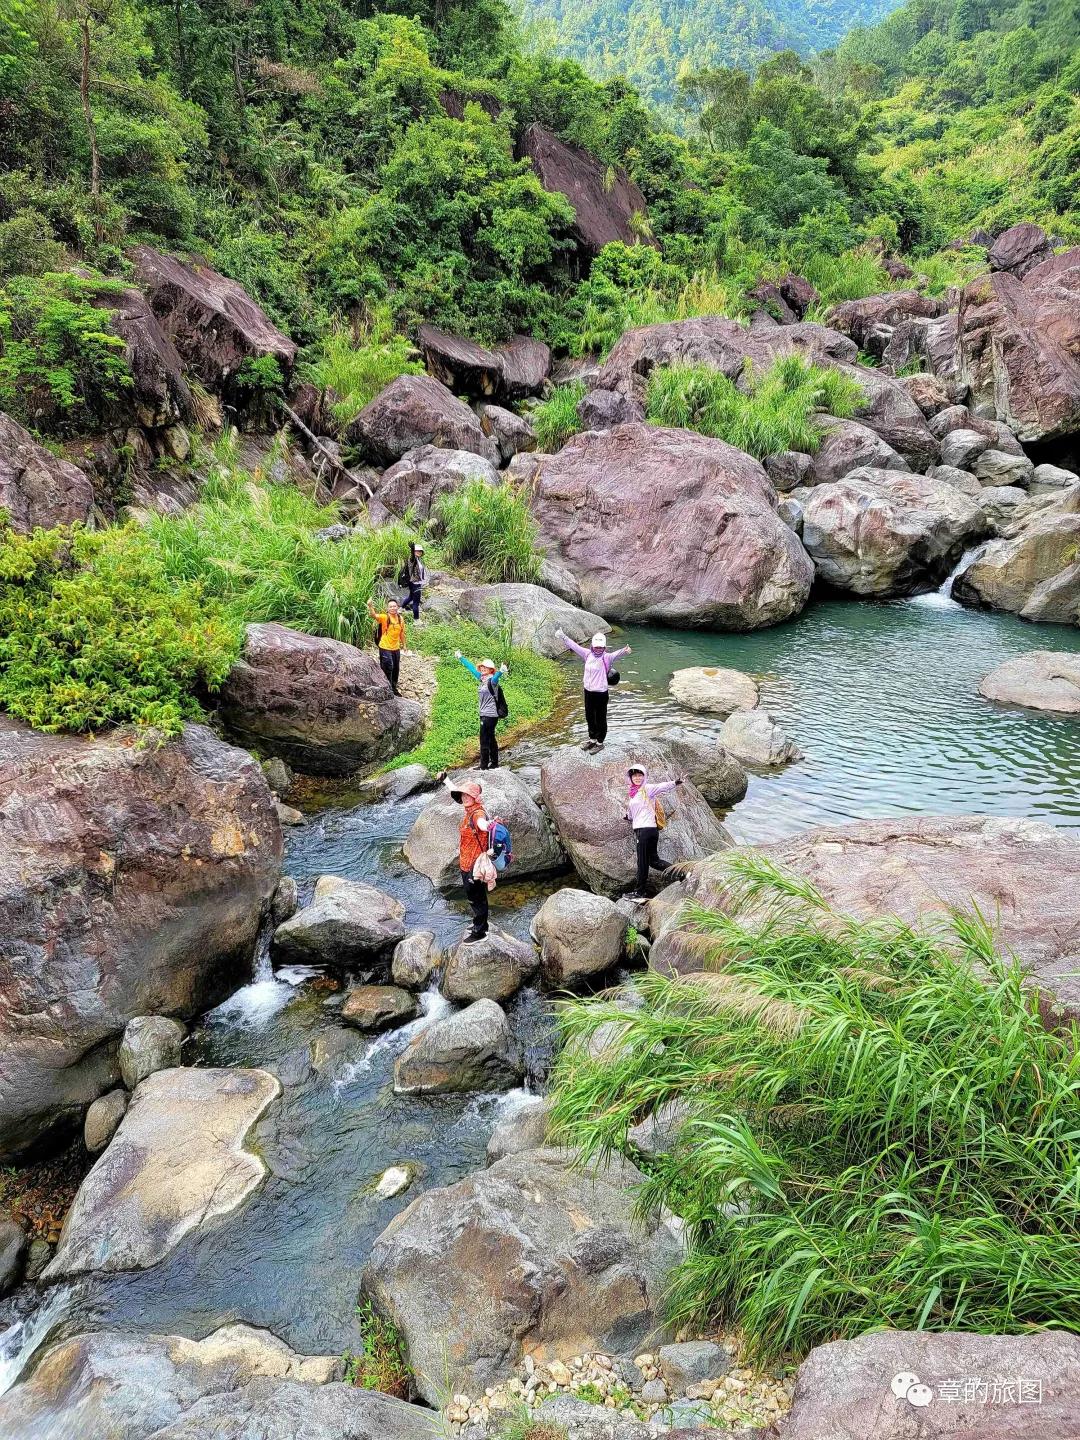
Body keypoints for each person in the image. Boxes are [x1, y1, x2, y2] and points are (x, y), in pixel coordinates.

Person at [555, 629, 631, 751]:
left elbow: (617, 654)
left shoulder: (606, 657)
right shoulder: (587, 654)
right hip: (588, 691)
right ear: (592, 646)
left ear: (604, 647)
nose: (598, 649)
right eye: (596, 647)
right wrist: (563, 636)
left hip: (601, 693)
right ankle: (592, 739)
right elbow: (574, 646)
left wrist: (625, 651)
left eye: (601, 647)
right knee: (589, 716)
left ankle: (600, 743)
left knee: (600, 717)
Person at [625, 764, 683, 899]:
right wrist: (628, 817)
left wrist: (675, 782)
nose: (637, 778)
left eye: (640, 775)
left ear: (644, 776)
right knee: (654, 861)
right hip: (650, 831)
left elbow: (661, 787)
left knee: (642, 862)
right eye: (635, 775)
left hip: (644, 831)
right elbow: (632, 813)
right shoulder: (633, 793)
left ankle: (640, 892)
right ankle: (682, 873)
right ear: (631, 777)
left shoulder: (647, 788)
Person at [450, 777, 490, 942]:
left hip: (475, 865)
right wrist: (445, 780)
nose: (465, 797)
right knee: (473, 895)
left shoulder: (477, 813)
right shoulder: (468, 812)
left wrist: (487, 825)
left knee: (476, 898)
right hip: (465, 863)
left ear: (475, 797)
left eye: (468, 795)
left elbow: (482, 824)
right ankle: (482, 925)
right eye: (463, 795)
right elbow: (453, 790)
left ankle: (479, 932)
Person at [454, 651, 507, 770]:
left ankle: (483, 766)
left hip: (489, 715)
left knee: (484, 740)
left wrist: (501, 672)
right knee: (491, 738)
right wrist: (461, 658)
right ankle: (494, 763)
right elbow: (471, 668)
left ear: (491, 670)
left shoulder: (492, 681)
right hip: (487, 715)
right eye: (482, 666)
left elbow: (496, 678)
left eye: (486, 667)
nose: (483, 668)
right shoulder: (482, 679)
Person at [366, 597, 406, 694]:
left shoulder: (400, 619)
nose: (393, 608)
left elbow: (402, 633)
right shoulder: (385, 617)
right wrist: (370, 606)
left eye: (394, 606)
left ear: (397, 607)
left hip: (396, 648)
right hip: (385, 647)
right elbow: (374, 615)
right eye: (390, 607)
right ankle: (386, 688)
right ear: (388, 609)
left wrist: (404, 645)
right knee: (388, 667)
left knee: (396, 668)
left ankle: (393, 687)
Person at [401, 543, 427, 620]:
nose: (419, 552)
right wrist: (412, 549)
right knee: (416, 602)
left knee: (411, 597)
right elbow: (412, 556)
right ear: (414, 552)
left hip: (415, 583)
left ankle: (401, 608)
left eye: (420, 551)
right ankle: (416, 620)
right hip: (415, 583)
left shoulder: (418, 560)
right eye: (417, 551)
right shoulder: (412, 560)